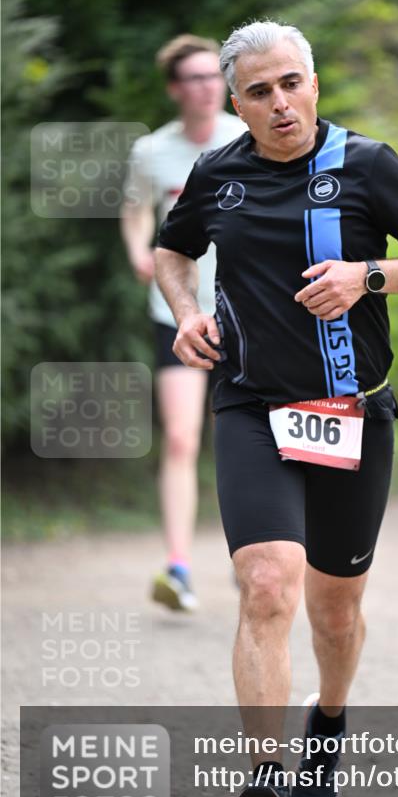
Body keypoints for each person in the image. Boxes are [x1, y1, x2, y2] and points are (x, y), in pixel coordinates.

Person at [154, 20, 398, 797]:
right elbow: (169, 250)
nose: (279, 103)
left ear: (315, 83)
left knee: (336, 613)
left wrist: (365, 275)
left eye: (290, 83)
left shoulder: (367, 165)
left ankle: (328, 718)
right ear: (236, 103)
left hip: (351, 413)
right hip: (251, 408)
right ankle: (262, 780)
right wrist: (187, 314)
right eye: (259, 91)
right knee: (266, 586)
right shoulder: (216, 175)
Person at [120, 34, 246, 612]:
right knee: (179, 437)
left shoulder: (247, 139)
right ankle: (178, 568)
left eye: (211, 75)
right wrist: (140, 250)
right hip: (177, 312)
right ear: (175, 89)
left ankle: (250, 556)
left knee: (242, 439)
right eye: (192, 77)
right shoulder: (151, 151)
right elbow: (136, 207)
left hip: (248, 309)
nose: (204, 86)